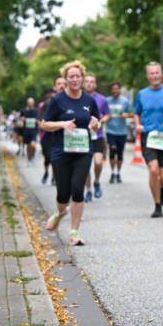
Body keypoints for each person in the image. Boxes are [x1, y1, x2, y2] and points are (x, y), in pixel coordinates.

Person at [40, 61, 101, 246]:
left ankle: (74, 233)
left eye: (77, 76)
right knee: (63, 194)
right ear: (65, 79)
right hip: (61, 152)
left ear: (82, 78)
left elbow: (96, 121)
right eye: (71, 76)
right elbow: (44, 124)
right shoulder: (57, 100)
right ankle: (60, 213)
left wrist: (95, 124)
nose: (75, 79)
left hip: (83, 150)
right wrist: (62, 124)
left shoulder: (89, 100)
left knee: (77, 188)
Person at [134, 62, 163, 217]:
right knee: (153, 169)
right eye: (152, 73)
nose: (155, 75)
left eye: (157, 72)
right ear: (147, 76)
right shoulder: (142, 94)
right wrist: (137, 125)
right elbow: (136, 113)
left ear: (161, 74)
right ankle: (157, 206)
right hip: (148, 136)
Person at [82, 73, 110, 201]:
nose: (89, 84)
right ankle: (88, 190)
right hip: (83, 135)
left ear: (95, 84)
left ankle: (97, 181)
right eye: (87, 81)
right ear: (83, 83)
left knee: (98, 162)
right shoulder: (79, 97)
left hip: (97, 135)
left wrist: (101, 121)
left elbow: (107, 114)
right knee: (86, 165)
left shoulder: (102, 99)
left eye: (92, 81)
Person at [38, 77, 66, 184]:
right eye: (59, 84)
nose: (62, 86)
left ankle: (55, 177)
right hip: (47, 135)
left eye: (64, 84)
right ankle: (46, 172)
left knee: (57, 158)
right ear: (55, 87)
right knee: (48, 157)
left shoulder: (70, 101)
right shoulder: (47, 103)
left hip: (62, 135)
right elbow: (41, 121)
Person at [105, 81, 132, 183]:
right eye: (113, 89)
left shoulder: (125, 101)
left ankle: (118, 173)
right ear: (111, 90)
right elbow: (103, 112)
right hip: (110, 130)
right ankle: (113, 172)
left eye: (117, 89)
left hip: (122, 132)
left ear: (119, 89)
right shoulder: (107, 100)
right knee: (112, 150)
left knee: (120, 154)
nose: (115, 91)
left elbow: (132, 113)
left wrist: (126, 115)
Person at [19, 97, 39, 164]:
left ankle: (32, 156)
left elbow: (39, 119)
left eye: (31, 102)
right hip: (26, 130)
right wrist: (22, 119)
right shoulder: (23, 110)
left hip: (34, 130)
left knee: (33, 144)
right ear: (27, 103)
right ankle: (29, 157)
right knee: (28, 145)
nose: (30, 104)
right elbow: (20, 119)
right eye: (29, 102)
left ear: (33, 103)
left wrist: (36, 121)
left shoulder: (36, 110)